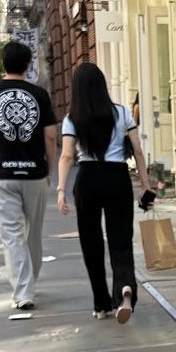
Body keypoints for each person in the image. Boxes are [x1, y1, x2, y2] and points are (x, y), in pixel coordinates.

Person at [56, 63, 150, 322]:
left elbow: (66, 156)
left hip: (87, 179)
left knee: (91, 242)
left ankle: (101, 304)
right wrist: (145, 185)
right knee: (121, 238)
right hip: (117, 178)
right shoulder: (121, 113)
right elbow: (138, 152)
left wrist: (61, 190)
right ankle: (125, 289)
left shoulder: (72, 118)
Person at [0, 41, 58, 313]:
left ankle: (23, 291)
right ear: (28, 64)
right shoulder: (39, 94)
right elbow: (49, 135)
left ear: (3, 62)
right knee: (33, 233)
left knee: (12, 235)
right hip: (34, 174)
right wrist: (50, 167)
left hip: (2, 174)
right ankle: (29, 281)